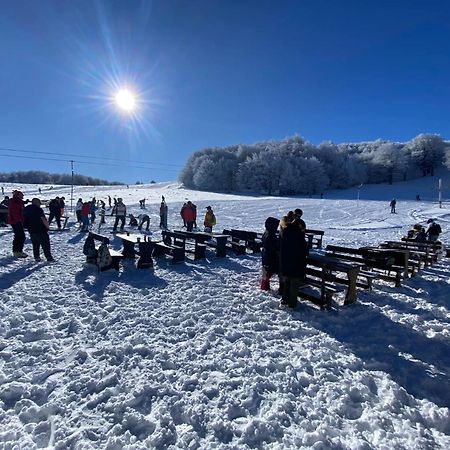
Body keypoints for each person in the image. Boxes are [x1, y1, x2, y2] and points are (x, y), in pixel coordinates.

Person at [279, 215, 308, 308]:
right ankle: (292, 304)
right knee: (294, 284)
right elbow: (304, 251)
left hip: (286, 263)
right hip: (297, 264)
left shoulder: (285, 232)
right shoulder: (299, 236)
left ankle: (285, 299)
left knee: (287, 281)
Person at [260, 217, 280, 291]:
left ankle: (264, 285)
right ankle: (265, 286)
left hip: (266, 255)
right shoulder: (271, 235)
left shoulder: (266, 232)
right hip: (270, 256)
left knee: (266, 271)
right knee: (269, 271)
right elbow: (274, 247)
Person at [8, 190, 28, 258]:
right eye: (21, 195)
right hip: (16, 221)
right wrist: (18, 220)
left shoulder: (17, 201)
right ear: (18, 195)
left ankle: (17, 251)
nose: (23, 196)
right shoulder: (16, 201)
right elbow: (15, 211)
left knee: (19, 236)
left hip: (16, 221)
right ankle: (18, 251)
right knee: (20, 236)